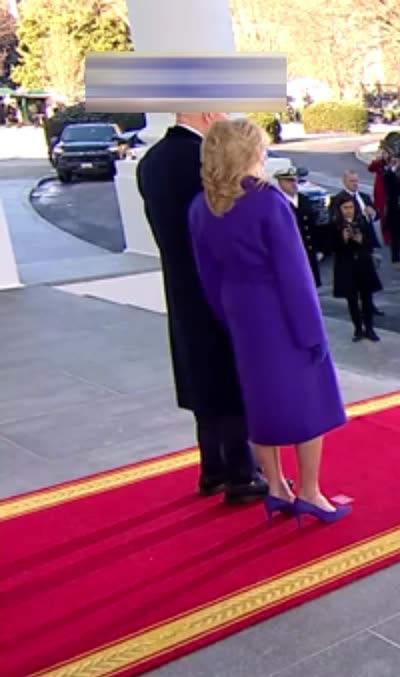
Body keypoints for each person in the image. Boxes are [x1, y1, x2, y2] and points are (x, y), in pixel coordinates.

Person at [187, 118, 350, 525]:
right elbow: (294, 273)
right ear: (247, 152)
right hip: (279, 310)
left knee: (259, 400)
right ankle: (310, 492)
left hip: (241, 313)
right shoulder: (266, 201)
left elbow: (207, 275)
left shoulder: (201, 206)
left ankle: (276, 486)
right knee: (307, 400)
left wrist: (230, 316)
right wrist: (313, 333)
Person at [137, 112, 267, 505]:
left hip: (178, 283)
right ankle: (241, 473)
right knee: (227, 377)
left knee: (199, 374)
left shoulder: (151, 161)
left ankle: (212, 468)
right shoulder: (204, 158)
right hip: (218, 282)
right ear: (206, 113)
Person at [329, 191, 384, 342]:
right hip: (346, 266)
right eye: (345, 207)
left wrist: (361, 240)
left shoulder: (362, 221)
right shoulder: (335, 224)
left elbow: (369, 243)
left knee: (367, 298)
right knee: (352, 300)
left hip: (363, 264)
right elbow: (331, 247)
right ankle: (358, 329)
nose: (349, 210)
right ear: (340, 209)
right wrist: (343, 239)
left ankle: (370, 328)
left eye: (351, 207)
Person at [273, 167, 321, 287]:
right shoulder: (278, 203)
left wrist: (319, 247)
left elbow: (313, 225)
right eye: (289, 181)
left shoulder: (304, 200)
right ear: (280, 182)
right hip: (291, 254)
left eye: (295, 180)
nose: (293, 184)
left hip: (308, 251)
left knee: (311, 286)